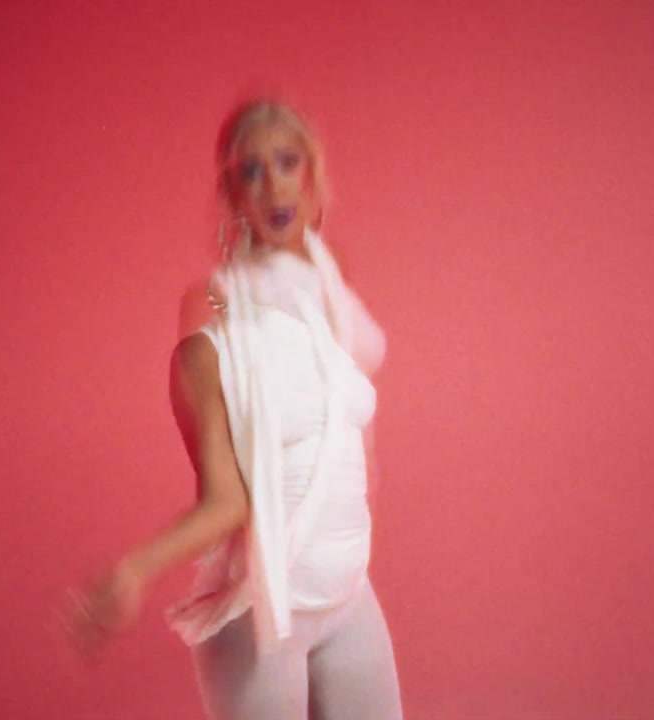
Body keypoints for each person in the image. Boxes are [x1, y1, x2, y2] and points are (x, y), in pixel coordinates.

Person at [67, 98, 403, 720]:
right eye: (251, 170)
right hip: (264, 615)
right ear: (232, 193)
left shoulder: (330, 286)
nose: (273, 184)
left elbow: (338, 441)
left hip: (349, 596)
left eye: (287, 162)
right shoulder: (215, 320)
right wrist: (133, 570)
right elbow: (227, 501)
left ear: (312, 174)